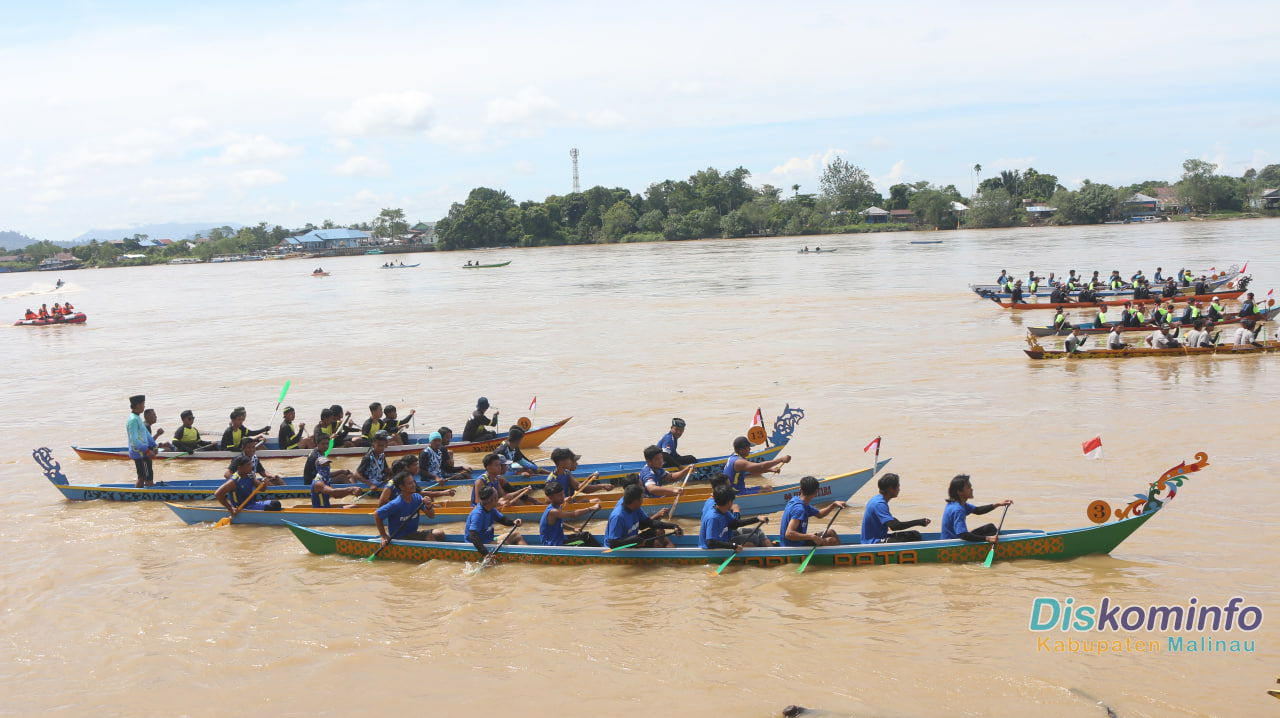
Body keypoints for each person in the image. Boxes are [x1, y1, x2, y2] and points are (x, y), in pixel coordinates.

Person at [376, 471, 446, 544]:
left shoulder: (417, 498)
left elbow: (431, 516)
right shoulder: (396, 504)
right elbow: (377, 514)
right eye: (410, 483)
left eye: (413, 482)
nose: (414, 485)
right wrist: (383, 535)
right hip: (399, 537)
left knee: (440, 533)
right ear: (401, 487)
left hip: (412, 533)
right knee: (429, 536)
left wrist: (429, 506)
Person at [604, 483, 681, 549]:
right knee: (658, 544)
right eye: (642, 498)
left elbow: (650, 522)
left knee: (659, 531)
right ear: (635, 501)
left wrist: (673, 526)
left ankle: (673, 554)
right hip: (619, 547)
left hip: (634, 540)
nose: (643, 500)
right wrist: (633, 539)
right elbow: (612, 544)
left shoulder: (635, 508)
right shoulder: (617, 516)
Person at [860, 473, 931, 543]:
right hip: (873, 542)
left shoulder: (877, 499)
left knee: (915, 535)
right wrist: (919, 522)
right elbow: (894, 526)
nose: (899, 489)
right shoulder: (879, 504)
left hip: (881, 536)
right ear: (891, 489)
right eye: (898, 487)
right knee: (899, 542)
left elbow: (892, 521)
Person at [779, 475, 848, 547]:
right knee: (832, 541)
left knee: (831, 532)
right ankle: (845, 555)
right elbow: (789, 534)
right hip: (793, 545)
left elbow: (820, 514)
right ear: (816, 493)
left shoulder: (798, 500)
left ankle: (844, 552)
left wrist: (834, 504)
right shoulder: (800, 509)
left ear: (800, 490)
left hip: (798, 541)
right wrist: (811, 537)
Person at [941, 475, 1012, 543]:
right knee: (994, 534)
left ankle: (1004, 543)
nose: (972, 490)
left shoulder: (957, 504)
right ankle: (1008, 546)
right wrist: (988, 539)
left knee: (989, 527)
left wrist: (998, 504)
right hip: (953, 543)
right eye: (968, 488)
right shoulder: (958, 509)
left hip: (957, 538)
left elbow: (978, 510)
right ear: (959, 492)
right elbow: (964, 535)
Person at [701, 483, 770, 550]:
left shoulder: (723, 510)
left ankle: (770, 550)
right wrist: (734, 546)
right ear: (729, 503)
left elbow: (735, 524)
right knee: (753, 538)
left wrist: (757, 519)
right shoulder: (713, 518)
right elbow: (711, 542)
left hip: (725, 537)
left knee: (757, 531)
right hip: (715, 547)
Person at [466, 485, 526, 557]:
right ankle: (518, 560)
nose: (498, 499)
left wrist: (513, 522)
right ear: (492, 500)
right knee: (503, 543)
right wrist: (485, 554)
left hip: (489, 539)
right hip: (477, 544)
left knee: (516, 535)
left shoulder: (491, 509)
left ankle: (528, 555)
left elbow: (503, 520)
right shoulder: (478, 514)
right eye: (497, 497)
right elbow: (473, 536)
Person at [539, 481, 601, 547]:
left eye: (563, 494)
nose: (563, 496)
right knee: (581, 542)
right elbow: (573, 514)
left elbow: (560, 523)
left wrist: (573, 529)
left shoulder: (558, 506)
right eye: (559, 495)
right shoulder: (553, 511)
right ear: (551, 498)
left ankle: (601, 554)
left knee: (586, 535)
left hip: (561, 539)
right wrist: (591, 508)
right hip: (553, 544)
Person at [215, 455, 282, 514]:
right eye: (248, 465)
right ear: (239, 467)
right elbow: (218, 494)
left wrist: (265, 484)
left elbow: (262, 489)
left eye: (250, 464)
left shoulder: (250, 477)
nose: (251, 467)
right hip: (242, 508)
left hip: (251, 504)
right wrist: (230, 508)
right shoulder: (234, 481)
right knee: (271, 507)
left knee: (276, 504)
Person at [723, 436, 790, 491]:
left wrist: (770, 470)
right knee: (768, 490)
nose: (750, 449)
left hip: (737, 489)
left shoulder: (734, 456)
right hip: (735, 493)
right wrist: (780, 459)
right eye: (748, 448)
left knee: (767, 487)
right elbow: (760, 466)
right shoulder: (739, 462)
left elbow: (753, 470)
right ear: (742, 450)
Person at [472, 453, 539, 506]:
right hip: (480, 510)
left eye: (499, 465)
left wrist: (523, 490)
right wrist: (499, 503)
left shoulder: (496, 479)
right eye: (496, 466)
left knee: (510, 498)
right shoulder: (480, 481)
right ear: (488, 467)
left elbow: (504, 496)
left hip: (491, 506)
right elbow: (479, 503)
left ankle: (525, 511)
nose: (499, 468)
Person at [545, 447, 612, 499]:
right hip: (563, 506)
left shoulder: (567, 473)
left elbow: (578, 487)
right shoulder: (551, 480)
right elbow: (548, 500)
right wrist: (564, 500)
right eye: (570, 460)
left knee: (590, 500)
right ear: (562, 463)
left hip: (570, 503)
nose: (572, 462)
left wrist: (589, 478)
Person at [126, 394, 157, 488]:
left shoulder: (137, 418)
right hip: (140, 453)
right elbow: (134, 439)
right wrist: (147, 451)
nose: (144, 406)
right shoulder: (133, 420)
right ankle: (144, 496)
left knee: (145, 476)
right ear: (138, 405)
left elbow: (146, 434)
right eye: (143, 404)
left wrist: (155, 446)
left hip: (143, 452)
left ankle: (141, 497)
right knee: (145, 477)